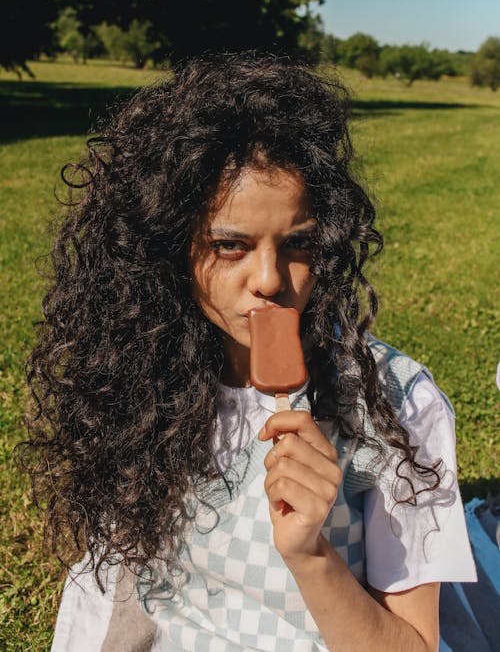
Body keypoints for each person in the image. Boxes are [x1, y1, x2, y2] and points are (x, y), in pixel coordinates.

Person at [25, 53, 476, 652]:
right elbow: (113, 589)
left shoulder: (395, 406)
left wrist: (311, 554)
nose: (270, 279)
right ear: (170, 245)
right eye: (230, 245)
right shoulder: (140, 376)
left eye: (298, 243)